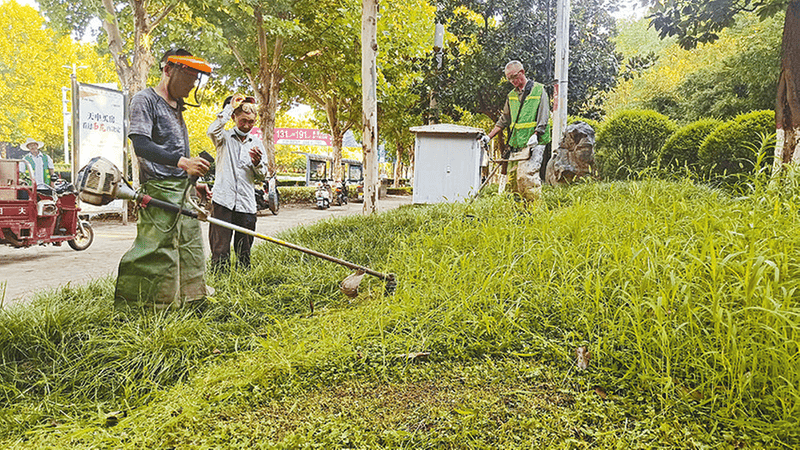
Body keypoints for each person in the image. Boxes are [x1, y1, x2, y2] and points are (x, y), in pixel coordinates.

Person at [114, 48, 214, 310]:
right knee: (158, 252)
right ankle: (147, 307)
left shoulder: (177, 106)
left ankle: (192, 302)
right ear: (168, 70)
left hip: (182, 190)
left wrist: (193, 178)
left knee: (190, 248)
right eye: (188, 79)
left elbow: (178, 150)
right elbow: (141, 146)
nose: (191, 86)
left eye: (195, 81)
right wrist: (183, 162)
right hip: (158, 190)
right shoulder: (144, 100)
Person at [207, 94, 267, 273]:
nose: (247, 125)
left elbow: (262, 176)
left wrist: (257, 163)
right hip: (223, 201)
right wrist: (228, 108)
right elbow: (212, 130)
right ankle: (220, 283)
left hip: (246, 204)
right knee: (220, 250)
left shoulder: (256, 143)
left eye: (251, 122)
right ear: (234, 118)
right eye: (243, 121)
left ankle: (243, 282)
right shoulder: (223, 138)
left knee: (244, 250)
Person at [481, 60, 551, 200]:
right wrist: (489, 136)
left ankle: (533, 212)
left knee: (526, 176)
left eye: (514, 76)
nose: (512, 81)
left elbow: (543, 116)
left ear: (522, 72)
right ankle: (518, 213)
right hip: (517, 143)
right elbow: (504, 119)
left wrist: (537, 134)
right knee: (513, 181)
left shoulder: (538, 90)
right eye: (509, 78)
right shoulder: (511, 95)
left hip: (534, 142)